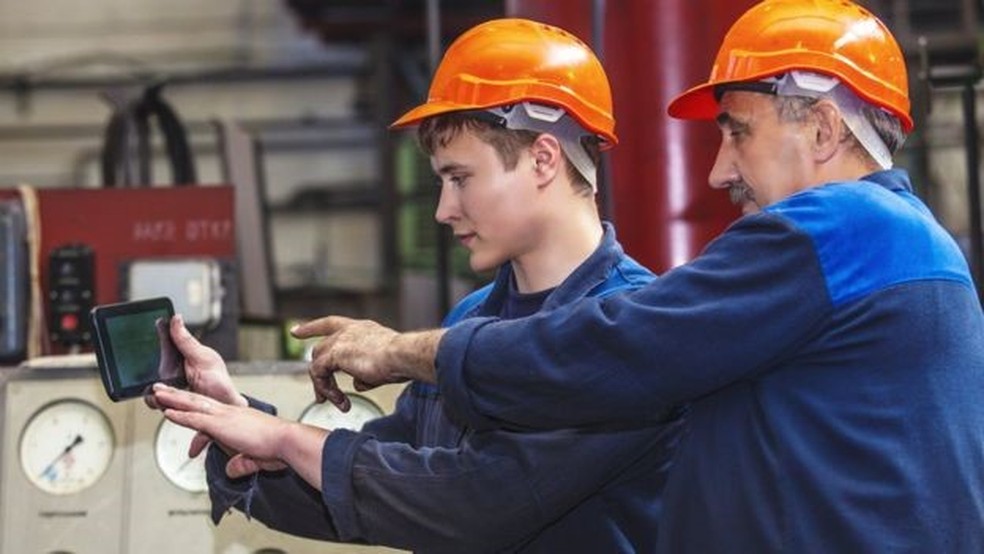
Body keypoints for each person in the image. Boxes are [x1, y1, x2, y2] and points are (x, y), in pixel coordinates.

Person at [297, 1, 984, 552]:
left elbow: (615, 347)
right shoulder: (912, 247)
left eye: (736, 131)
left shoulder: (841, 229)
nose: (718, 171)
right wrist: (255, 437)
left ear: (826, 128)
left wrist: (403, 352)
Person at [151, 18, 683, 552]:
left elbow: (477, 504)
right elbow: (379, 488)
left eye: (460, 178)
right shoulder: (472, 320)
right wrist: (236, 421)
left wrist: (288, 439)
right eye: (440, 181)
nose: (443, 210)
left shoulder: (629, 330)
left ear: (543, 158)